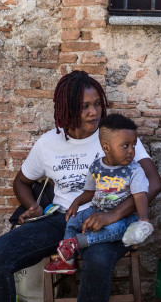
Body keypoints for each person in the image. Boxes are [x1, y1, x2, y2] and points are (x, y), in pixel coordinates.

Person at [0, 71, 161, 302]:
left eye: (96, 104)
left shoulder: (116, 135)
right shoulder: (49, 143)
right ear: (65, 110)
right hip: (62, 218)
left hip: (110, 222)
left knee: (99, 261)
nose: (93, 112)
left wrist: (113, 213)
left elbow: (153, 183)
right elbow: (22, 181)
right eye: (84, 106)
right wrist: (32, 206)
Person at [44, 113, 151, 275]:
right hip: (96, 209)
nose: (131, 151)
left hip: (125, 217)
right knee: (72, 220)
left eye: (133, 145)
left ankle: (77, 242)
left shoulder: (134, 170)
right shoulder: (96, 167)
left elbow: (140, 195)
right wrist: (76, 203)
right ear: (106, 147)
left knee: (115, 229)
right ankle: (67, 260)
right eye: (125, 146)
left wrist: (143, 219)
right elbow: (90, 192)